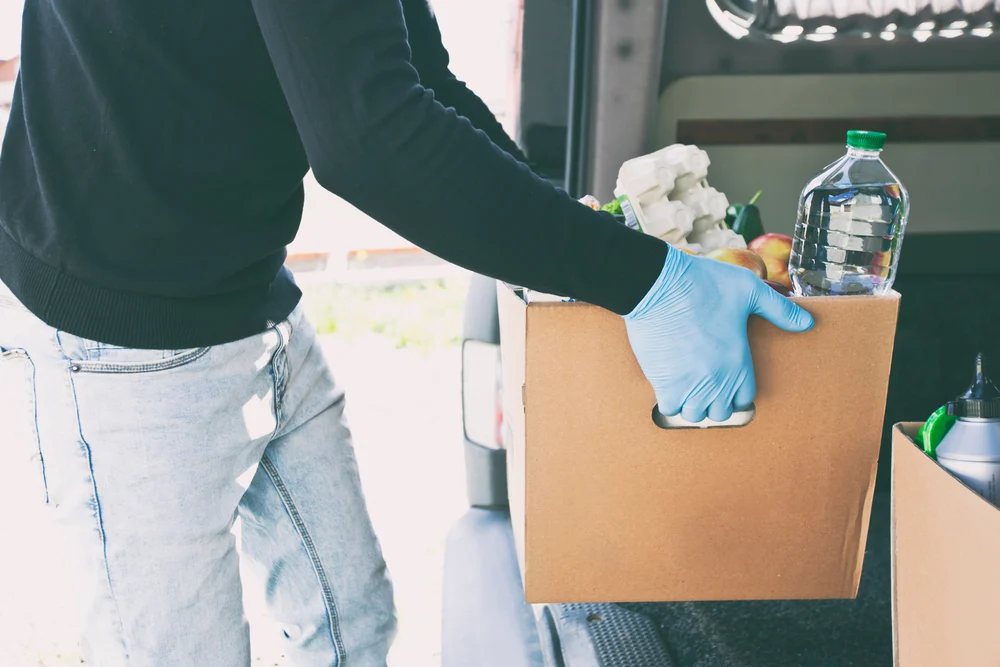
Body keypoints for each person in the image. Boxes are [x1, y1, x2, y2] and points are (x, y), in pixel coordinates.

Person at [0, 0, 814, 665]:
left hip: (249, 292)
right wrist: (647, 281)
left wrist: (574, 243)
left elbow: (414, 74)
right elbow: (370, 140)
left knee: (352, 629)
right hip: (124, 332)